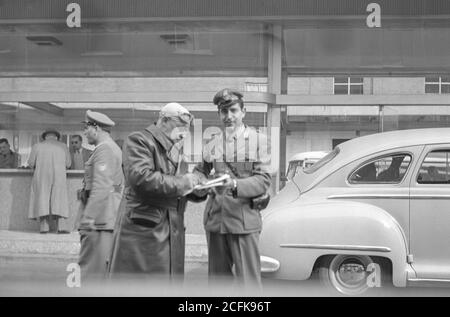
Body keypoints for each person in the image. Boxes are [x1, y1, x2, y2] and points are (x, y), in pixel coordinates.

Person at [108, 103, 201, 280]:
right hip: (143, 232)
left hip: (164, 229)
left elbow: (173, 185)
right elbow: (141, 179)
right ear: (164, 120)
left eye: (186, 130)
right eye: (180, 127)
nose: (182, 133)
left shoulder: (170, 148)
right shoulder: (139, 140)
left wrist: (199, 188)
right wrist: (184, 182)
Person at [191, 89, 272, 288]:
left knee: (248, 284)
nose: (229, 117)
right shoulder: (212, 143)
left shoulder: (259, 141)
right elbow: (199, 171)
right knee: (218, 284)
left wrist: (234, 184)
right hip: (216, 220)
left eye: (233, 111)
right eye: (224, 112)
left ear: (244, 112)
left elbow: (263, 180)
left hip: (243, 220)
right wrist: (200, 182)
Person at [76, 110, 124, 281]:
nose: (84, 132)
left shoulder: (105, 149)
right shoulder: (109, 148)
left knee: (91, 272)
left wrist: (88, 217)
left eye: (86, 127)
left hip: (100, 219)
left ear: (96, 128)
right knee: (98, 270)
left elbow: (102, 187)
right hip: (104, 216)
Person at [28, 129, 71, 233]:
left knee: (42, 197)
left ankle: (44, 227)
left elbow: (31, 163)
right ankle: (57, 228)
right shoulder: (63, 146)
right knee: (58, 199)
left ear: (44, 136)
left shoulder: (37, 146)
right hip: (59, 175)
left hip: (42, 175)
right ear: (56, 137)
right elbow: (68, 164)